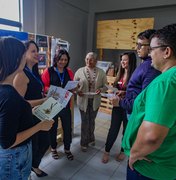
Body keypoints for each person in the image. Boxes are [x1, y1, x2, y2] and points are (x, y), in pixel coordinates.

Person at [121, 24, 176, 180]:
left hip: (150, 167)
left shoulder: (165, 83)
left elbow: (151, 136)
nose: (149, 53)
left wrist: (134, 154)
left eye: (152, 49)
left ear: (166, 51)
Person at [0, 37, 53, 179]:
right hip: (13, 158)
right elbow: (8, 142)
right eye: (24, 54)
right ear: (17, 59)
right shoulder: (10, 95)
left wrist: (28, 110)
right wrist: (40, 126)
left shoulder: (5, 89)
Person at [13, 40, 52, 177]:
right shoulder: (21, 74)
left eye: (37, 50)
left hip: (39, 114)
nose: (37, 54)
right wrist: (43, 100)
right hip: (28, 118)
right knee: (34, 145)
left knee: (45, 142)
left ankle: (34, 165)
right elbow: (18, 104)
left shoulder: (34, 71)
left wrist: (45, 96)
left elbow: (34, 92)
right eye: (33, 51)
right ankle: (31, 167)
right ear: (24, 53)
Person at [102, 52, 137, 163]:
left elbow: (135, 94)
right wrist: (113, 92)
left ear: (131, 61)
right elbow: (117, 87)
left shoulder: (135, 75)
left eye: (125, 60)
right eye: (122, 59)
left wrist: (124, 92)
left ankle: (123, 151)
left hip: (128, 108)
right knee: (113, 129)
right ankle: (107, 151)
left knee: (126, 130)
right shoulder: (120, 73)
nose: (122, 62)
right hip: (117, 106)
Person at [118, 29, 161, 117]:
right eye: (137, 44)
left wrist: (120, 102)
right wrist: (127, 94)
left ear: (151, 46)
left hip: (136, 114)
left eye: (140, 45)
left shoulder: (151, 67)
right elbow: (139, 90)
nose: (137, 48)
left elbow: (144, 101)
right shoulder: (145, 63)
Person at [41, 49, 74, 160]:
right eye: (61, 59)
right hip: (52, 105)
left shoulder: (68, 72)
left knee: (67, 127)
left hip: (65, 105)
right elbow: (43, 86)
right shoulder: (48, 71)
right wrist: (51, 89)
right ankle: (53, 149)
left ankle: (67, 148)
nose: (63, 62)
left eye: (65, 60)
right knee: (52, 128)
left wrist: (74, 88)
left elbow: (71, 86)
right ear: (56, 59)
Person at [74, 52, 108, 152]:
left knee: (91, 121)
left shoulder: (101, 72)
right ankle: (84, 142)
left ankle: (91, 138)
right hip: (82, 101)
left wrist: (100, 90)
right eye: (87, 59)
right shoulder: (79, 71)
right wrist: (77, 91)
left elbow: (105, 86)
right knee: (85, 122)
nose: (89, 61)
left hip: (95, 101)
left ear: (96, 61)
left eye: (92, 59)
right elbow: (74, 85)